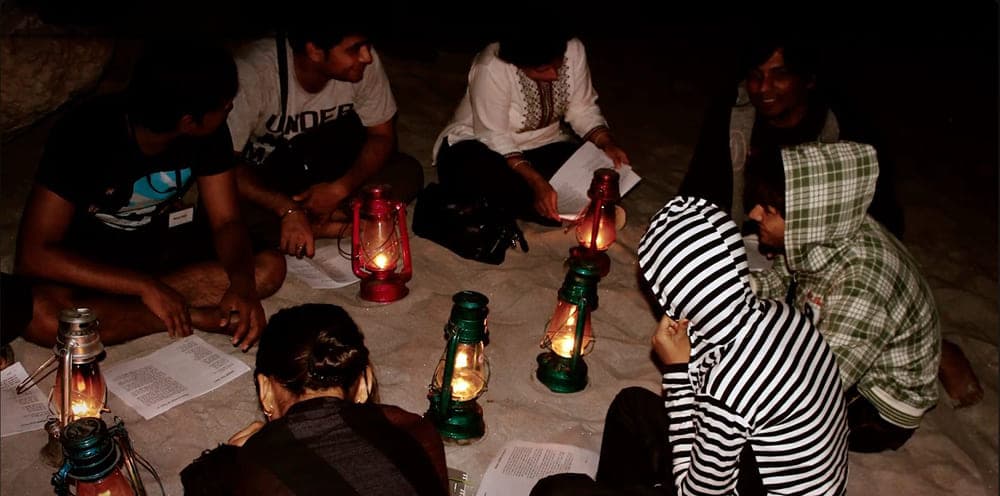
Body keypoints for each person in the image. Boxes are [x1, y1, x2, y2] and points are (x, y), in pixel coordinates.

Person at [525, 196, 849, 496]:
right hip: (758, 484)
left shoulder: (733, 384)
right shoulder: (780, 314)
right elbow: (716, 413)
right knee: (631, 406)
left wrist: (678, 373)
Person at [15, 40, 283, 351]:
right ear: (187, 121)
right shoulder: (84, 132)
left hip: (158, 248)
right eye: (223, 104)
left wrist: (242, 285)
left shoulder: (209, 131)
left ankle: (154, 304)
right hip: (90, 266)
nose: (230, 107)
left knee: (267, 268)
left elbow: (226, 221)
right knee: (44, 319)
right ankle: (186, 315)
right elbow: (33, 256)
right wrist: (142, 287)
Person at [174, 303, 456, 496]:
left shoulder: (230, 476)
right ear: (364, 384)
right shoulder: (417, 432)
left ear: (265, 391)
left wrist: (221, 466)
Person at [746, 141, 945, 452]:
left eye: (768, 210)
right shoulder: (819, 231)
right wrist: (722, 291)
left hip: (878, 403)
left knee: (766, 433)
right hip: (838, 345)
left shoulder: (863, 283)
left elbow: (818, 387)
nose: (754, 214)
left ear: (802, 220)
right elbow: (774, 285)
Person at [227, 6, 423, 259]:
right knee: (230, 215)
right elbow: (224, 165)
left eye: (367, 46)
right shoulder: (255, 72)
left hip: (332, 167)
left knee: (407, 172)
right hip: (273, 179)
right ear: (315, 51)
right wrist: (286, 209)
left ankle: (325, 217)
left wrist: (338, 189)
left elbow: (382, 136)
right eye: (354, 49)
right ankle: (330, 224)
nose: (367, 57)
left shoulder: (363, 65)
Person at [678, 29, 904, 238]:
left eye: (780, 74)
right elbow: (698, 189)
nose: (764, 87)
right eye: (756, 75)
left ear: (808, 79)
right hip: (744, 244)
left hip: (818, 251)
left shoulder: (846, 130)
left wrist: (795, 237)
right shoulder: (733, 113)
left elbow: (884, 222)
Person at [429, 23, 629, 226]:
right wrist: (535, 181)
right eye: (542, 69)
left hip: (543, 144)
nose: (554, 75)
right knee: (482, 175)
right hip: (480, 145)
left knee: (598, 171)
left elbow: (581, 108)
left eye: (558, 64)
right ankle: (567, 211)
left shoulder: (574, 49)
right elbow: (493, 135)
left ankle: (556, 207)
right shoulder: (491, 65)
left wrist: (605, 142)